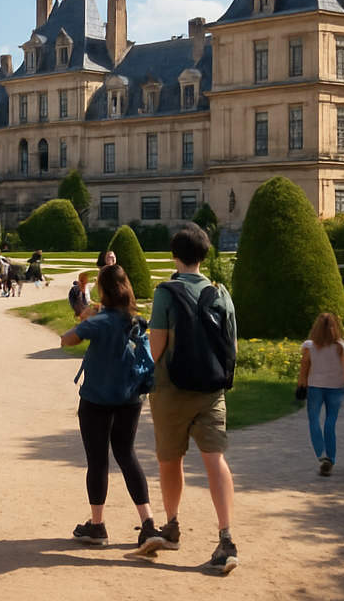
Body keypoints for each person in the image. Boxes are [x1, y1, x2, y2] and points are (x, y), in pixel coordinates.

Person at [133, 223, 239, 574]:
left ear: (174, 256)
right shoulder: (221, 293)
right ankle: (225, 538)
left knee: (169, 460)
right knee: (215, 461)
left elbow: (157, 347)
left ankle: (173, 526)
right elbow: (232, 348)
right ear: (204, 255)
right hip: (211, 390)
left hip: (171, 390)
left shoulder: (166, 292)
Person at [61, 265, 157, 548]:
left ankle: (98, 525)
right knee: (127, 455)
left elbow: (67, 340)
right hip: (130, 398)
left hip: (96, 400)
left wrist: (85, 318)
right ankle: (149, 523)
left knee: (98, 461)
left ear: (102, 290)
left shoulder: (100, 320)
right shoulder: (136, 320)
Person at [298, 312, 344, 476]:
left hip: (315, 386)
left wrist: (301, 385)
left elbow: (304, 367)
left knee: (313, 419)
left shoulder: (309, 346)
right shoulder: (342, 347)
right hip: (336, 387)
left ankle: (321, 454)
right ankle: (331, 457)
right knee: (330, 421)